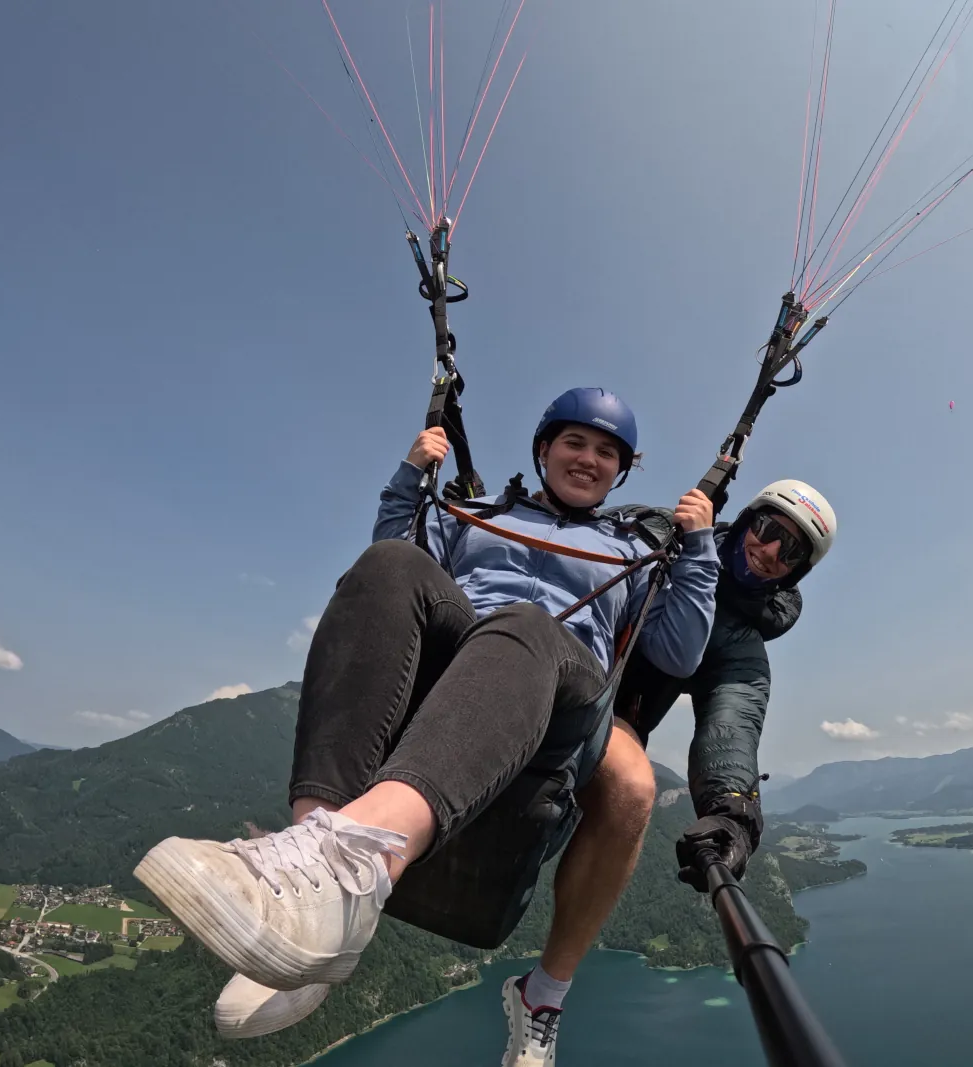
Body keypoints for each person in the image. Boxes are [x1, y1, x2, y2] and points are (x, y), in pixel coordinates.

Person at [133, 387, 719, 1045]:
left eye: (606, 452)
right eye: (575, 442)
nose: (588, 459)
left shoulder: (633, 551)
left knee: (526, 623)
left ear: (621, 471)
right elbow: (389, 577)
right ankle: (314, 881)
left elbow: (677, 651)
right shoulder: (478, 515)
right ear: (545, 449)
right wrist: (410, 477)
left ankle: (353, 869)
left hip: (561, 686)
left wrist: (697, 548)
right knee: (389, 562)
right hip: (464, 663)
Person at [498, 478, 836, 1067]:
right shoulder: (661, 536)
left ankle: (544, 996)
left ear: (795, 574)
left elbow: (732, 723)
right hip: (536, 663)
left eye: (791, 552)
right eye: (767, 530)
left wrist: (732, 813)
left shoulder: (738, 640)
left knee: (632, 793)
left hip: (604, 720)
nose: (769, 552)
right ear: (746, 519)